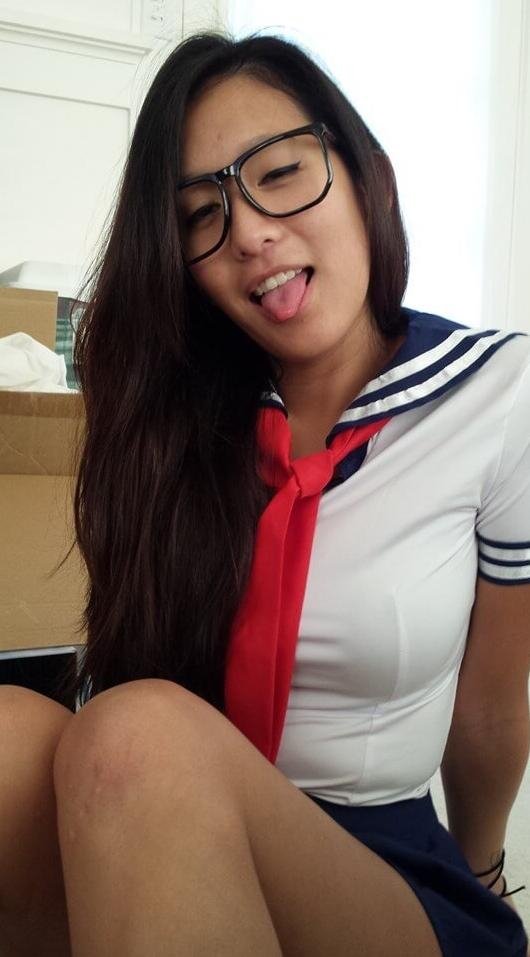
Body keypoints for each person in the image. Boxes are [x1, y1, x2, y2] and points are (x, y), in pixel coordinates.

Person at [0, 29, 529, 957]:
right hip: (149, 809)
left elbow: (488, 707)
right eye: (201, 216)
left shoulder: (496, 395)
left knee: (140, 735)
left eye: (280, 173)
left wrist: (483, 870)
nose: (248, 233)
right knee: (13, 734)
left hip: (376, 860)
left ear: (367, 176)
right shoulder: (179, 420)